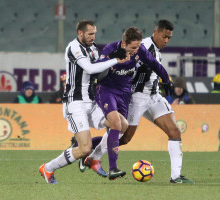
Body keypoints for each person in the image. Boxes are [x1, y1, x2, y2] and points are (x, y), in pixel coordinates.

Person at [87, 20, 194, 184]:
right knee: (123, 137)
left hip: (154, 96)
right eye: (164, 36)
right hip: (136, 97)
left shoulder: (152, 50)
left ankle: (176, 176)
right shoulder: (141, 46)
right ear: (155, 32)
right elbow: (124, 68)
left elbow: (155, 66)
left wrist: (167, 82)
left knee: (174, 132)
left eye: (169, 38)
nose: (166, 40)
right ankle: (91, 152)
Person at [39, 20, 129, 184]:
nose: (93, 37)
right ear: (80, 33)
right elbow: (90, 69)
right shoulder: (73, 48)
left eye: (94, 33)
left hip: (91, 101)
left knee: (121, 124)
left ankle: (93, 159)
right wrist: (116, 60)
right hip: (75, 103)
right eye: (90, 34)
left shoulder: (93, 49)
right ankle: (48, 168)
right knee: (84, 148)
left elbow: (100, 70)